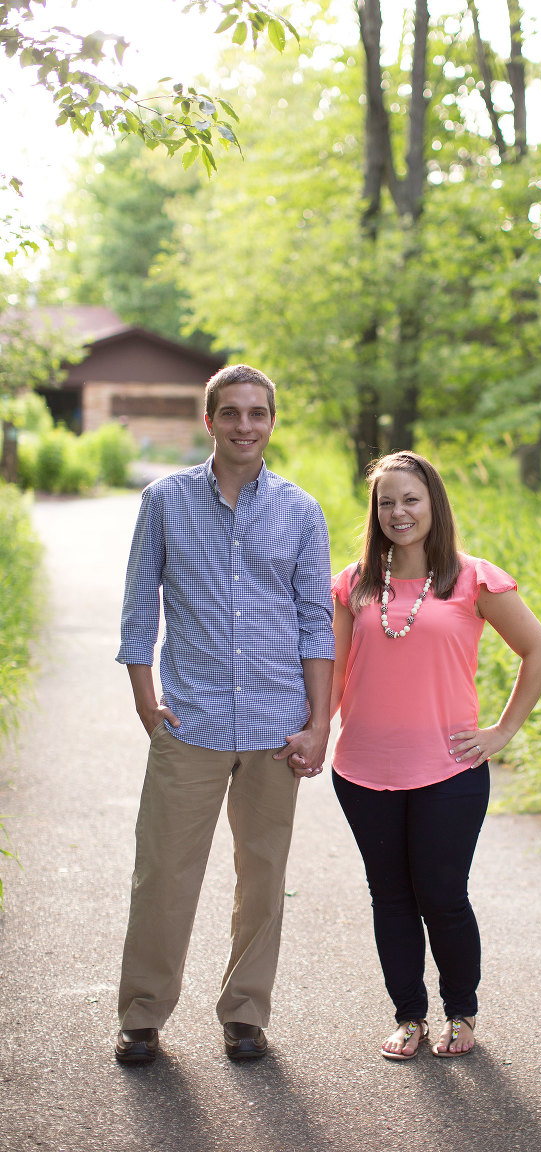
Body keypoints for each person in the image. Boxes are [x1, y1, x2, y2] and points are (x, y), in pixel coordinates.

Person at [114, 364, 334, 1064]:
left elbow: (316, 622)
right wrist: (146, 700)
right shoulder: (165, 500)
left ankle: (245, 1013)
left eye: (257, 413)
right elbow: (139, 608)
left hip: (275, 725)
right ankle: (142, 1015)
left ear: (271, 421)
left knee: (263, 878)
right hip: (192, 721)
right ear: (208, 421)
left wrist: (319, 723)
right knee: (163, 874)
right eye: (231, 412)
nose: (245, 425)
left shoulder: (301, 510)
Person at [330, 451, 541, 1060]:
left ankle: (462, 1012)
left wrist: (502, 732)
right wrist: (310, 732)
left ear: (434, 504)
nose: (398, 512)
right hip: (363, 771)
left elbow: (539, 651)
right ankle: (409, 1017)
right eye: (386, 502)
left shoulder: (473, 579)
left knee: (442, 895)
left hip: (449, 772)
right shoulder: (354, 583)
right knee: (390, 898)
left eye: (411, 499)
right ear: (375, 511)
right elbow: (334, 674)